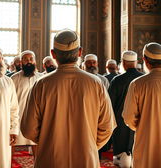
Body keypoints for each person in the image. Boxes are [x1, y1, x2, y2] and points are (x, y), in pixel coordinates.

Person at [21, 29, 116, 168]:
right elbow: (107, 126)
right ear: (79, 52)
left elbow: (28, 129)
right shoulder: (96, 83)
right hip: (86, 158)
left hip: (51, 158)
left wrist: (48, 140)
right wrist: (88, 145)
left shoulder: (42, 84)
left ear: (53, 54)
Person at [108, 51, 143, 168]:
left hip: (120, 122)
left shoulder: (117, 80)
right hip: (140, 122)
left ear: (123, 63)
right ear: (136, 62)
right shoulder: (143, 79)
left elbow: (110, 104)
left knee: (122, 157)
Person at [11, 50, 42, 155]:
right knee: (12, 141)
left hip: (35, 116)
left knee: (35, 143)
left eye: (31, 59)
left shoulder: (41, 78)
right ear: (21, 62)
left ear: (35, 61)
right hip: (17, 116)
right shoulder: (14, 78)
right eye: (25, 59)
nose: (28, 61)